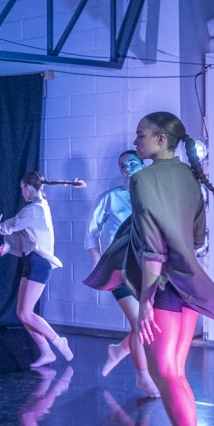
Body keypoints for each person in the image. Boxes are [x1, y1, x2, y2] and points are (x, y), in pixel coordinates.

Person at [86, 112, 214, 426]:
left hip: (164, 287)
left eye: (141, 135)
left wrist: (146, 300)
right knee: (174, 375)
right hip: (189, 284)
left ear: (162, 140)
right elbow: (197, 238)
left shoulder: (143, 180)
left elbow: (152, 249)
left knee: (165, 374)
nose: (137, 141)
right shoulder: (189, 177)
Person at [84, 151, 159, 397]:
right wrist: (97, 261)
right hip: (119, 267)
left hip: (146, 268)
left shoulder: (153, 197)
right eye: (123, 165)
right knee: (139, 322)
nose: (127, 168)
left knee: (148, 322)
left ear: (143, 166)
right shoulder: (111, 198)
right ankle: (143, 376)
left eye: (132, 163)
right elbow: (92, 231)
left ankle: (119, 350)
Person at [0, 172, 76, 368]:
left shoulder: (33, 210)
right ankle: (46, 352)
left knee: (26, 313)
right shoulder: (38, 208)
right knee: (22, 312)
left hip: (39, 263)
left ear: (28, 187)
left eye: (22, 188)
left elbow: (8, 227)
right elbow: (28, 237)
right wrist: (8, 247)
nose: (22, 193)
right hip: (31, 261)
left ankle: (59, 342)